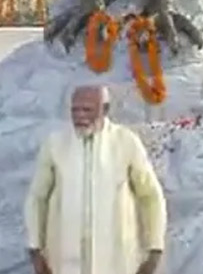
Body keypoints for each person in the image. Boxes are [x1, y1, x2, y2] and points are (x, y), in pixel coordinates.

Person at [23, 84, 167, 274]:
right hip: (64, 261)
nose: (79, 116)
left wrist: (154, 248)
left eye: (87, 110)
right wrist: (35, 248)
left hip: (116, 260)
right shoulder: (55, 144)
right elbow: (37, 197)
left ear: (105, 109)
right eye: (75, 110)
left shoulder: (126, 142)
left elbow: (150, 196)